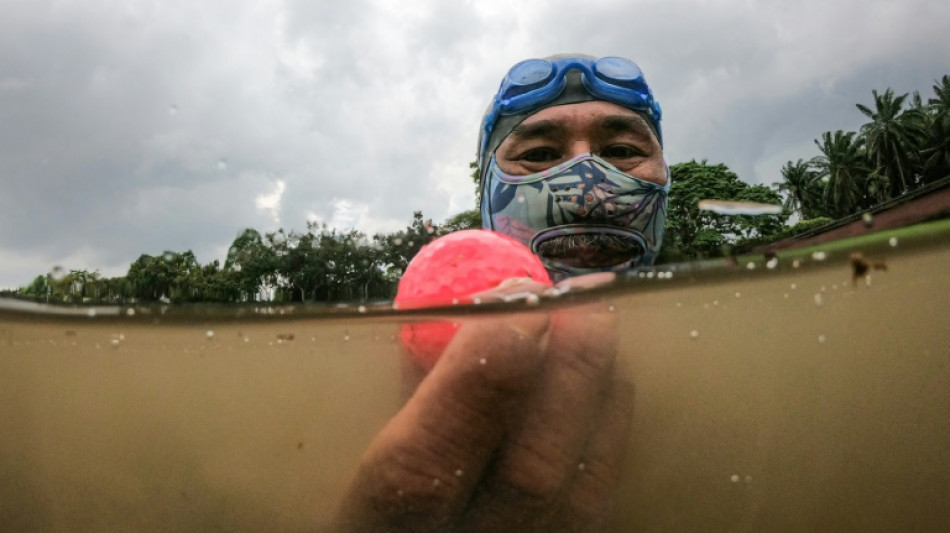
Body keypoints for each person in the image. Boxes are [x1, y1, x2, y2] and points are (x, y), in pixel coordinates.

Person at [335, 54, 669, 532]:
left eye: (619, 149)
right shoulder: (374, 378)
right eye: (538, 154)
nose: (587, 180)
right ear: (486, 193)